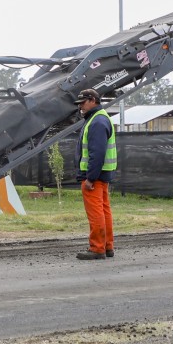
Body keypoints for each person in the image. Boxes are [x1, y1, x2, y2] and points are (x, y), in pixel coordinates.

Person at [74, 88, 117, 260]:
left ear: (93, 100)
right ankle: (107, 246)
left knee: (96, 212)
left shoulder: (97, 121)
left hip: (94, 177)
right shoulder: (100, 118)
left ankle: (97, 248)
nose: (80, 107)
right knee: (104, 211)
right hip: (102, 175)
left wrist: (90, 178)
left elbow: (97, 153)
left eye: (83, 103)